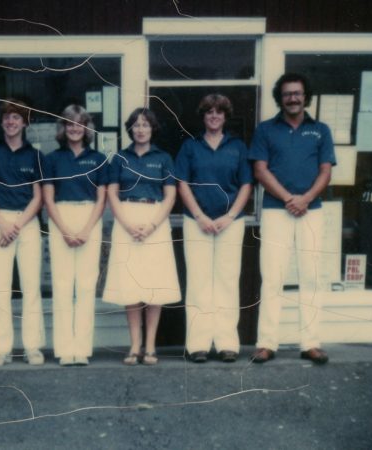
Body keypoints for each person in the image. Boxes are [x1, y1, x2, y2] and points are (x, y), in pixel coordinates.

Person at [249, 73, 335, 364]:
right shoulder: (265, 130)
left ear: (305, 96)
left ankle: (310, 343)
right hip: (276, 210)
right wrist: (288, 198)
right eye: (287, 94)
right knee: (272, 277)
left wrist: (306, 198)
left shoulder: (321, 129)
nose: (293, 98)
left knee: (311, 276)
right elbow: (260, 170)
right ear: (280, 98)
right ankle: (266, 343)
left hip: (312, 210)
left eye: (297, 93)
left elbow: (325, 170)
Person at [175, 94, 253, 364]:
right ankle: (198, 344)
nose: (214, 116)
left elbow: (246, 184)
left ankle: (226, 343)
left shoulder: (238, 147)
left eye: (219, 112)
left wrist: (230, 216)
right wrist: (198, 215)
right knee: (198, 282)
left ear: (225, 116)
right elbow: (181, 183)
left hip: (230, 223)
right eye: (209, 112)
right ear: (203, 116)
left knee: (227, 281)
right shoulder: (190, 146)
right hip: (196, 222)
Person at [103, 107, 181, 366]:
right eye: (136, 125)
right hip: (126, 219)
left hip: (155, 220)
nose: (140, 129)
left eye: (145, 124)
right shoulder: (119, 158)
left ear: (152, 128)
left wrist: (151, 225)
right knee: (131, 285)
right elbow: (112, 194)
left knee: (153, 285)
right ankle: (135, 345)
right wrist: (126, 223)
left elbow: (170, 195)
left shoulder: (164, 158)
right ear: (130, 129)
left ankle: (150, 346)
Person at [0, 99, 46, 367]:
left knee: (31, 288)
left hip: (26, 224)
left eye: (16, 117)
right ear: (1, 121)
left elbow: (39, 196)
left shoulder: (35, 155)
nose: (11, 121)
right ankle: (1, 349)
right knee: (0, 289)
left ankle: (33, 347)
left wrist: (16, 225)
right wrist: (2, 223)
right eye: (7, 117)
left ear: (25, 122)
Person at [43, 105, 108, 366]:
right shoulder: (52, 159)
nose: (74, 128)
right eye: (69, 124)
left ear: (86, 127)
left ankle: (81, 348)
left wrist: (85, 229)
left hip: (89, 219)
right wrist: (65, 229)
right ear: (63, 128)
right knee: (61, 285)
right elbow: (48, 198)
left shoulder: (98, 158)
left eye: (79, 124)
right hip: (61, 218)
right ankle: (64, 349)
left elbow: (102, 199)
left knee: (84, 286)